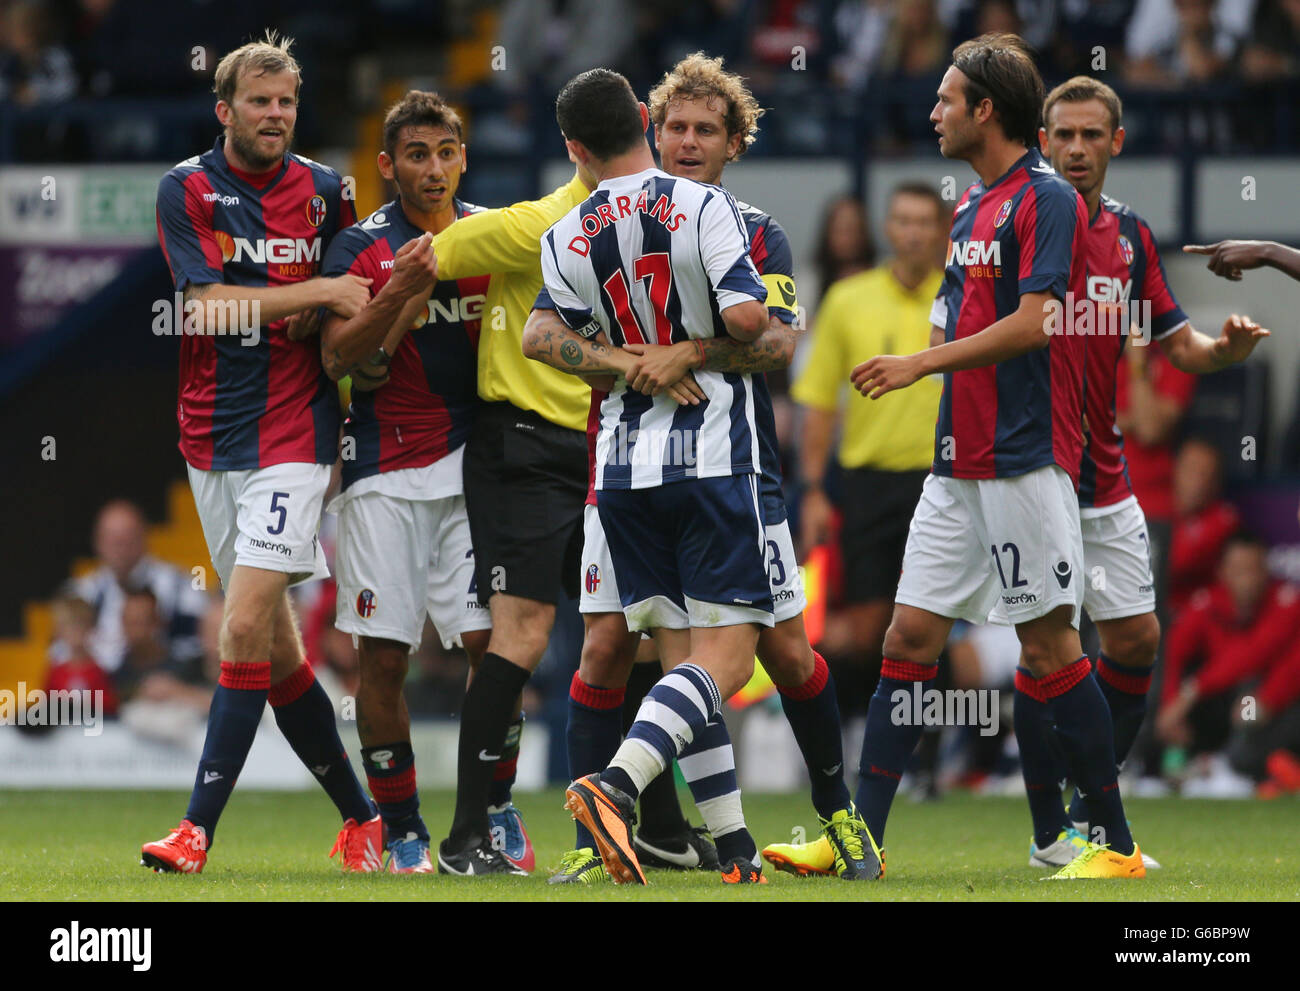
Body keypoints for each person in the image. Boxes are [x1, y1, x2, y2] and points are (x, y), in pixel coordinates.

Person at [779, 33, 1146, 880]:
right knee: (908, 635)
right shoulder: (971, 207)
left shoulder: (1043, 199)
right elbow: (958, 317)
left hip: (1022, 457)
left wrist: (917, 362)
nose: (933, 111)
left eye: (947, 99)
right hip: (956, 463)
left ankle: (1116, 846)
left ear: (986, 109)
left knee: (1051, 648)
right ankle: (858, 840)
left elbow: (1036, 321)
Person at [548, 54, 873, 886]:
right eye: (675, 127)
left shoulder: (757, 227)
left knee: (787, 655)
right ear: (650, 132)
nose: (688, 141)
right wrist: (631, 362)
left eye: (706, 130)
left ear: (735, 142)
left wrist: (683, 351)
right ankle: (634, 831)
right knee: (632, 650)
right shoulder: (609, 221)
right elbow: (550, 341)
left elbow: (775, 341)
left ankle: (832, 815)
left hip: (736, 468)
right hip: (645, 466)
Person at [997, 75, 1269, 870]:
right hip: (1032, 464)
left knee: (1137, 639)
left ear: (1117, 143)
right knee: (1047, 645)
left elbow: (1177, 340)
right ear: (1041, 140)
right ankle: (1055, 829)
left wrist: (1226, 350)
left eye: (1092, 135)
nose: (1076, 148)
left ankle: (1085, 804)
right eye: (1063, 135)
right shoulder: (1017, 222)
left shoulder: (1130, 237)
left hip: (1108, 471)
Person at [522, 67, 779, 885]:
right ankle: (614, 784)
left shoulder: (567, 232)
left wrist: (620, 359)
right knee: (728, 663)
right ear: (646, 119)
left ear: (574, 148)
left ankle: (735, 848)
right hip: (711, 457)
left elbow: (539, 340)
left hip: (623, 471)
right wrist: (700, 344)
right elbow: (749, 322)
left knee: (678, 661)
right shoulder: (707, 207)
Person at [142, 32, 380, 875]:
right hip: (210, 435)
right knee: (276, 651)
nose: (276, 115)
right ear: (225, 110)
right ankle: (363, 817)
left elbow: (358, 281)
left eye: (286, 102)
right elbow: (203, 310)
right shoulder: (188, 189)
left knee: (239, 626)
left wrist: (345, 306)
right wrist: (315, 291)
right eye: (259, 102)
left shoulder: (326, 191)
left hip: (295, 430)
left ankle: (195, 830)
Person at [414, 106, 596, 879]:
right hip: (525, 449)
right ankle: (467, 833)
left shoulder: (550, 222)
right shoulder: (547, 224)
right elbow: (433, 250)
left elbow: (436, 249)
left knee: (630, 635)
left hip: (596, 451)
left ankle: (647, 823)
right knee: (525, 639)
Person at [315, 90, 491, 873]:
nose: (432, 168)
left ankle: (491, 816)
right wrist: (401, 292)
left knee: (496, 647)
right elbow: (336, 357)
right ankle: (406, 828)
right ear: (387, 165)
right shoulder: (359, 246)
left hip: (479, 466)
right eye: (415, 155)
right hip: (383, 470)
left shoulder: (493, 236)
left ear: (463, 156)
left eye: (445, 152)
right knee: (382, 660)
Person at [791, 183, 946, 671]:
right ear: (887, 228)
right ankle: (861, 737)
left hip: (943, 484)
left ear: (943, 231)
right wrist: (813, 489)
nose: (914, 233)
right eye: (904, 221)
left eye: (925, 222)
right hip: (866, 488)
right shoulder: (847, 300)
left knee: (935, 628)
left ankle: (932, 740)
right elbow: (819, 404)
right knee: (863, 631)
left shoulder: (963, 298)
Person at [69, 499, 207, 673]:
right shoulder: (80, 592)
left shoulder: (180, 585)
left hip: (163, 684)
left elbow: (201, 643)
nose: (119, 545)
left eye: (127, 536)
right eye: (111, 537)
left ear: (144, 536)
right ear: (97, 542)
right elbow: (59, 651)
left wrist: (165, 664)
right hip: (100, 687)